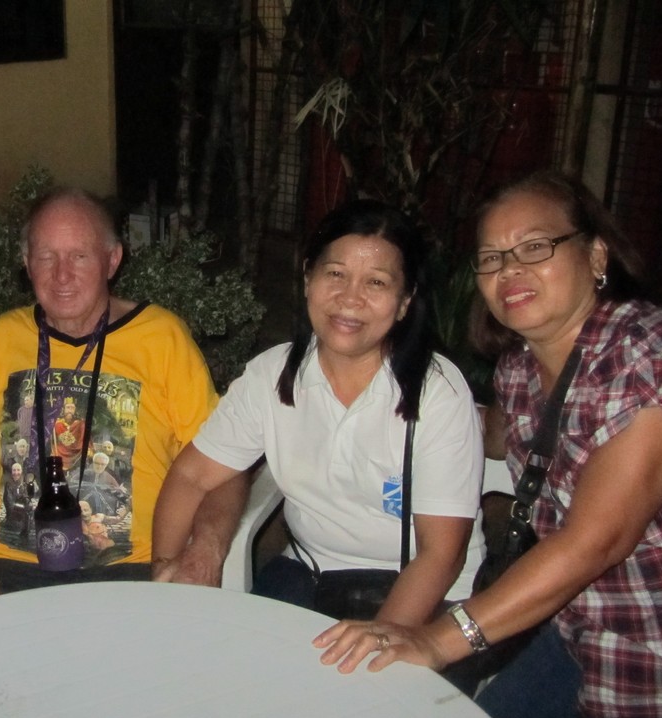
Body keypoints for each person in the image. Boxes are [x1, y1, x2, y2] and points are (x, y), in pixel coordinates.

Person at [314, 170, 662, 718]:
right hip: (589, 630)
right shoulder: (520, 369)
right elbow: (502, 433)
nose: (509, 269)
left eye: (535, 247)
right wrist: (414, 415)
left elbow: (595, 542)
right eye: (492, 258)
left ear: (596, 255)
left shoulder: (651, 355)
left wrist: (438, 639)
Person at [152, 199, 485, 627]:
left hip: (425, 590)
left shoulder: (437, 392)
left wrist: (378, 642)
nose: (350, 298)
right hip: (310, 571)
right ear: (309, 278)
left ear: (404, 302)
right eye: (336, 274)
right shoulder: (272, 375)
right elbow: (192, 476)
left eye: (376, 282)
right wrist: (165, 575)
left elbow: (441, 556)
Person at [0, 187, 248, 604]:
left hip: (131, 573)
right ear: (26, 262)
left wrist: (204, 551)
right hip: (3, 571)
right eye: (46, 256)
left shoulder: (161, 338)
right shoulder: (1, 338)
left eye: (79, 256)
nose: (62, 275)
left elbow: (226, 467)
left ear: (112, 260)